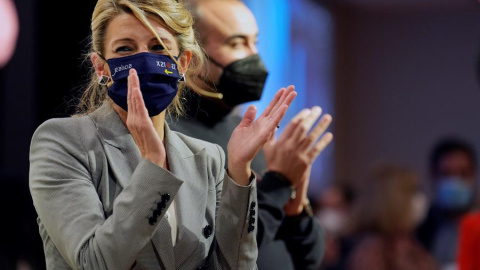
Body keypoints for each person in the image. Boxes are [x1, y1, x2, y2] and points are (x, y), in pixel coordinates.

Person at [28, 0, 297, 269]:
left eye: (158, 47)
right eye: (125, 48)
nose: (144, 60)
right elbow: (95, 263)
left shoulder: (208, 158)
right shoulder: (63, 142)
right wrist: (154, 166)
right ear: (101, 67)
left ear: (183, 63)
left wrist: (238, 170)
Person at [168, 0, 331, 269]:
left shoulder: (248, 131)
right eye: (236, 43)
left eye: (254, 42)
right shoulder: (169, 139)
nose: (254, 57)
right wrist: (279, 183)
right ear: (190, 56)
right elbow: (216, 254)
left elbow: (310, 258)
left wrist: (295, 207)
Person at [346, 164, 438, 270]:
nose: (420, 199)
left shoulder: (409, 243)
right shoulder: (371, 253)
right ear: (392, 201)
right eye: (413, 191)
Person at [416, 137, 478, 270]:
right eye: (447, 174)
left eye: (463, 174)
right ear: (433, 176)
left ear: (473, 175)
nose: (455, 182)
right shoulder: (418, 226)